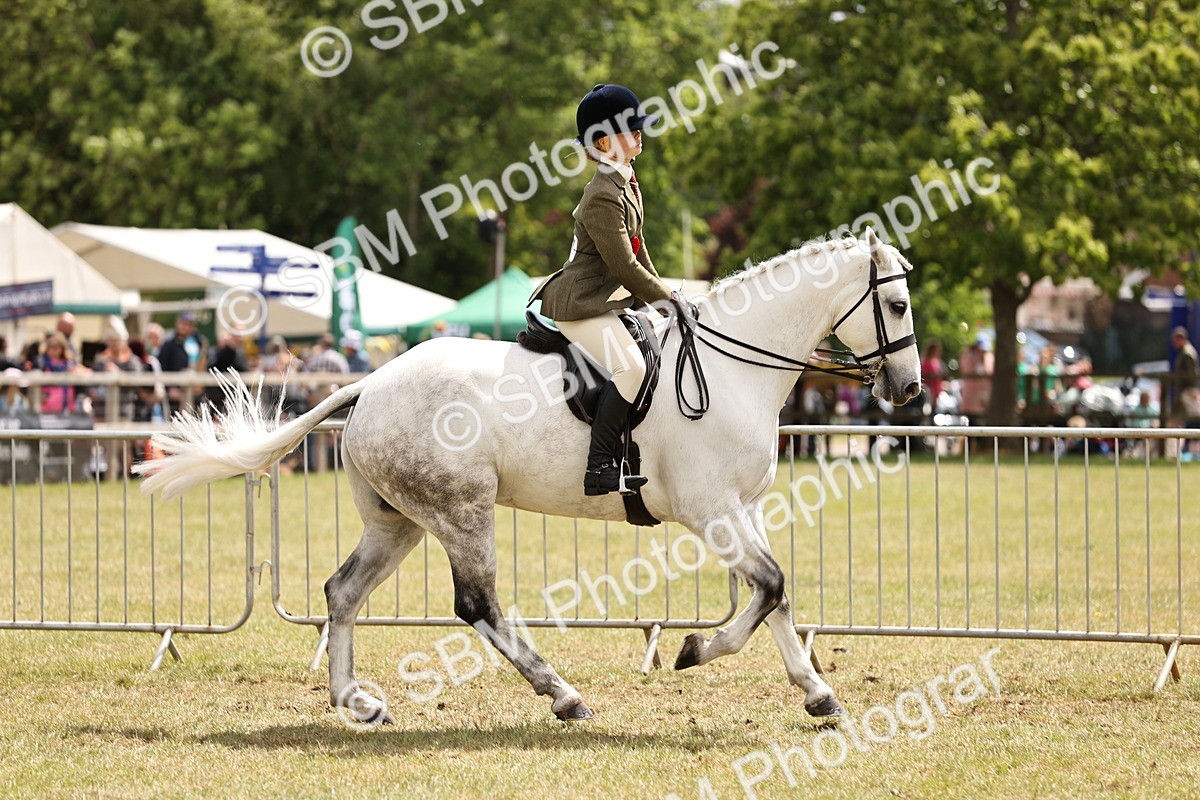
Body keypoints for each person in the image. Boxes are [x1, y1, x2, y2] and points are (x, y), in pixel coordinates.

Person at [529, 83, 682, 496]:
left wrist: (669, 296)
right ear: (602, 141)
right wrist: (666, 300)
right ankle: (598, 468)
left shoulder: (626, 181)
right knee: (631, 367)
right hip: (579, 303)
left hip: (604, 300)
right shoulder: (601, 194)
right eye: (630, 129)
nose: (639, 134)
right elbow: (624, 266)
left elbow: (639, 248)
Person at [158, 312, 208, 414]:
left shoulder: (198, 342)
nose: (183, 327)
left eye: (187, 324)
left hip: (196, 391)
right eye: (181, 323)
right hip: (176, 392)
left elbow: (203, 363)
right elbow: (162, 367)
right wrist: (169, 388)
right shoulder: (169, 345)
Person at [38, 334, 77, 414]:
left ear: (62, 348)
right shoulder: (41, 362)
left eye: (57, 346)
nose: (54, 349)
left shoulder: (68, 363)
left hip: (66, 403)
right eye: (51, 346)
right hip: (47, 404)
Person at [958, 336, 994, 423]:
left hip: (985, 396)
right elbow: (967, 371)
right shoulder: (968, 357)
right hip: (971, 396)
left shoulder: (989, 358)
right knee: (971, 421)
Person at [1169, 326, 1198, 422]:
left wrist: (1189, 390)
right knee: (1177, 418)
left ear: (1181, 339)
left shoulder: (1187, 353)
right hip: (1183, 391)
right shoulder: (1183, 351)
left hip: (1186, 392)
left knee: (1190, 419)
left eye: (1176, 339)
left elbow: (1191, 374)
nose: (1174, 342)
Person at [920, 339, 946, 409]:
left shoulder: (937, 361)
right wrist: (933, 375)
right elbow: (923, 375)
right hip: (928, 392)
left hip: (936, 391)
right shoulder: (925, 361)